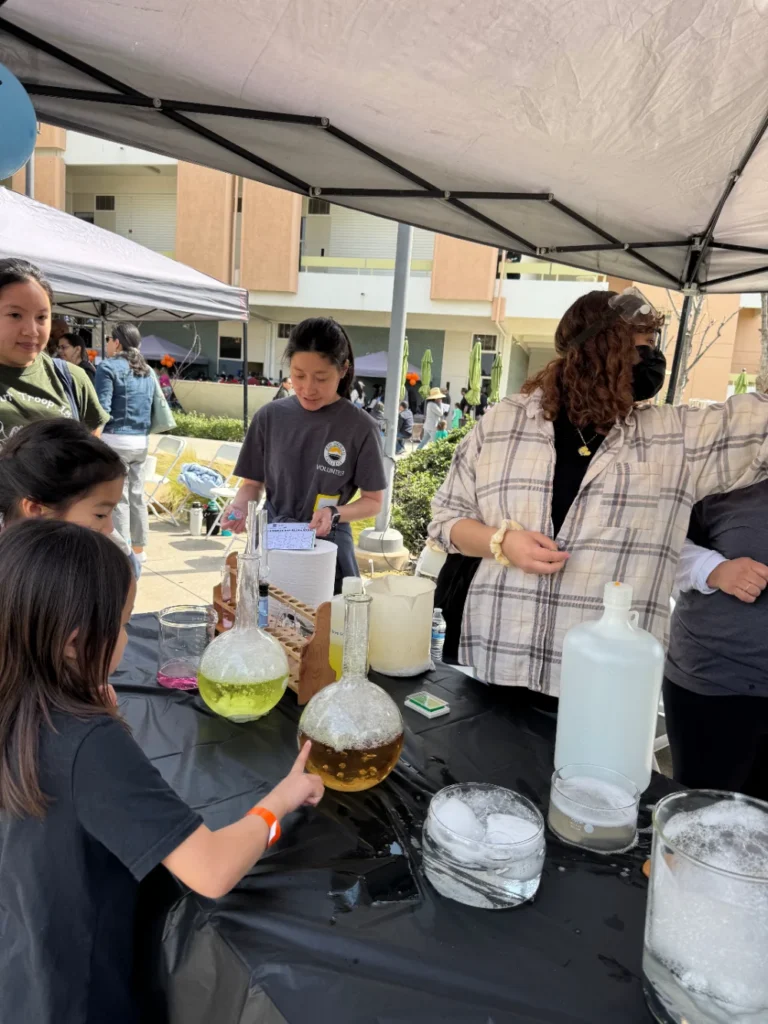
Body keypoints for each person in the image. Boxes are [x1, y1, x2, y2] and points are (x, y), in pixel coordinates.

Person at [0, 519, 324, 1024]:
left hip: (24, 973)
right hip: (88, 995)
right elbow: (211, 871)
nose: (128, 637)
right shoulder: (87, 744)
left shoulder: (17, 711)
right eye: (125, 623)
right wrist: (283, 797)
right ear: (73, 642)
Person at [429, 287, 768, 693]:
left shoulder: (676, 438)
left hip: (606, 687)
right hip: (496, 659)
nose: (652, 358)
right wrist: (502, 542)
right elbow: (446, 520)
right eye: (640, 345)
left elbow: (756, 423)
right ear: (596, 350)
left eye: (654, 345)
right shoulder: (505, 423)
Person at [226, 318, 386, 590]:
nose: (308, 388)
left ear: (343, 369)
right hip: (274, 543)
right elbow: (252, 484)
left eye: (321, 378)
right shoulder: (270, 417)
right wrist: (240, 506)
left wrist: (334, 513)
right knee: (268, 622)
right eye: (298, 375)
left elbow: (373, 502)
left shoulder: (360, 427)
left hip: (327, 549)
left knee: (326, 626)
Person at [665, 481, 768, 799]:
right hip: (711, 682)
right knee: (698, 816)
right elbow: (656, 542)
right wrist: (714, 569)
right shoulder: (727, 470)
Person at [0, 417, 141, 578]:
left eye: (111, 513)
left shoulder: (112, 555)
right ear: (37, 510)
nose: (109, 528)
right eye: (100, 515)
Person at [0, 260, 107, 445]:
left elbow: (91, 461)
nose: (31, 331)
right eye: (15, 315)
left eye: (41, 317)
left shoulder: (72, 379)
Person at [95, 323, 157, 563]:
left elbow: (103, 409)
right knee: (137, 495)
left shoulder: (108, 367)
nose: (108, 343)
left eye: (109, 339)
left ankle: (123, 552)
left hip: (115, 439)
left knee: (119, 498)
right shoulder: (148, 371)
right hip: (140, 441)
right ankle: (139, 552)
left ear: (118, 342)